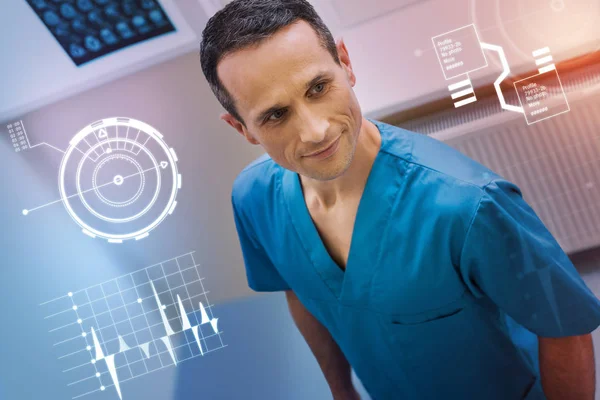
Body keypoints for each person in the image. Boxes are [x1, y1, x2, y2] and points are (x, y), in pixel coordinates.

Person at [199, 1, 600, 399]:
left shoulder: (469, 206)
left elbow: (565, 329)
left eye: (318, 88)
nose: (315, 131)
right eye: (275, 115)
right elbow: (298, 291)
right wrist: (342, 390)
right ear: (242, 129)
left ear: (345, 63)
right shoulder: (253, 200)